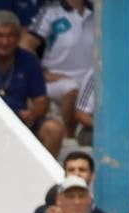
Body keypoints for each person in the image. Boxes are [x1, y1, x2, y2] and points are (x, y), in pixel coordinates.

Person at [0, 11, 63, 157]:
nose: (5, 42)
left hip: (21, 122)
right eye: (0, 35)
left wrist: (32, 114)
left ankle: (48, 179)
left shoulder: (29, 60)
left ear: (19, 37)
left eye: (10, 36)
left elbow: (42, 101)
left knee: (54, 128)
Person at [25, 0, 96, 128]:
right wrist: (41, 73)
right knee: (71, 87)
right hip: (57, 82)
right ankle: (70, 138)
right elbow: (25, 45)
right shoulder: (51, 12)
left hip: (90, 81)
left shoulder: (98, 12)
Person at [26, 152, 117, 213]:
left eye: (82, 170)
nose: (76, 173)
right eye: (71, 170)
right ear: (65, 175)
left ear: (92, 175)